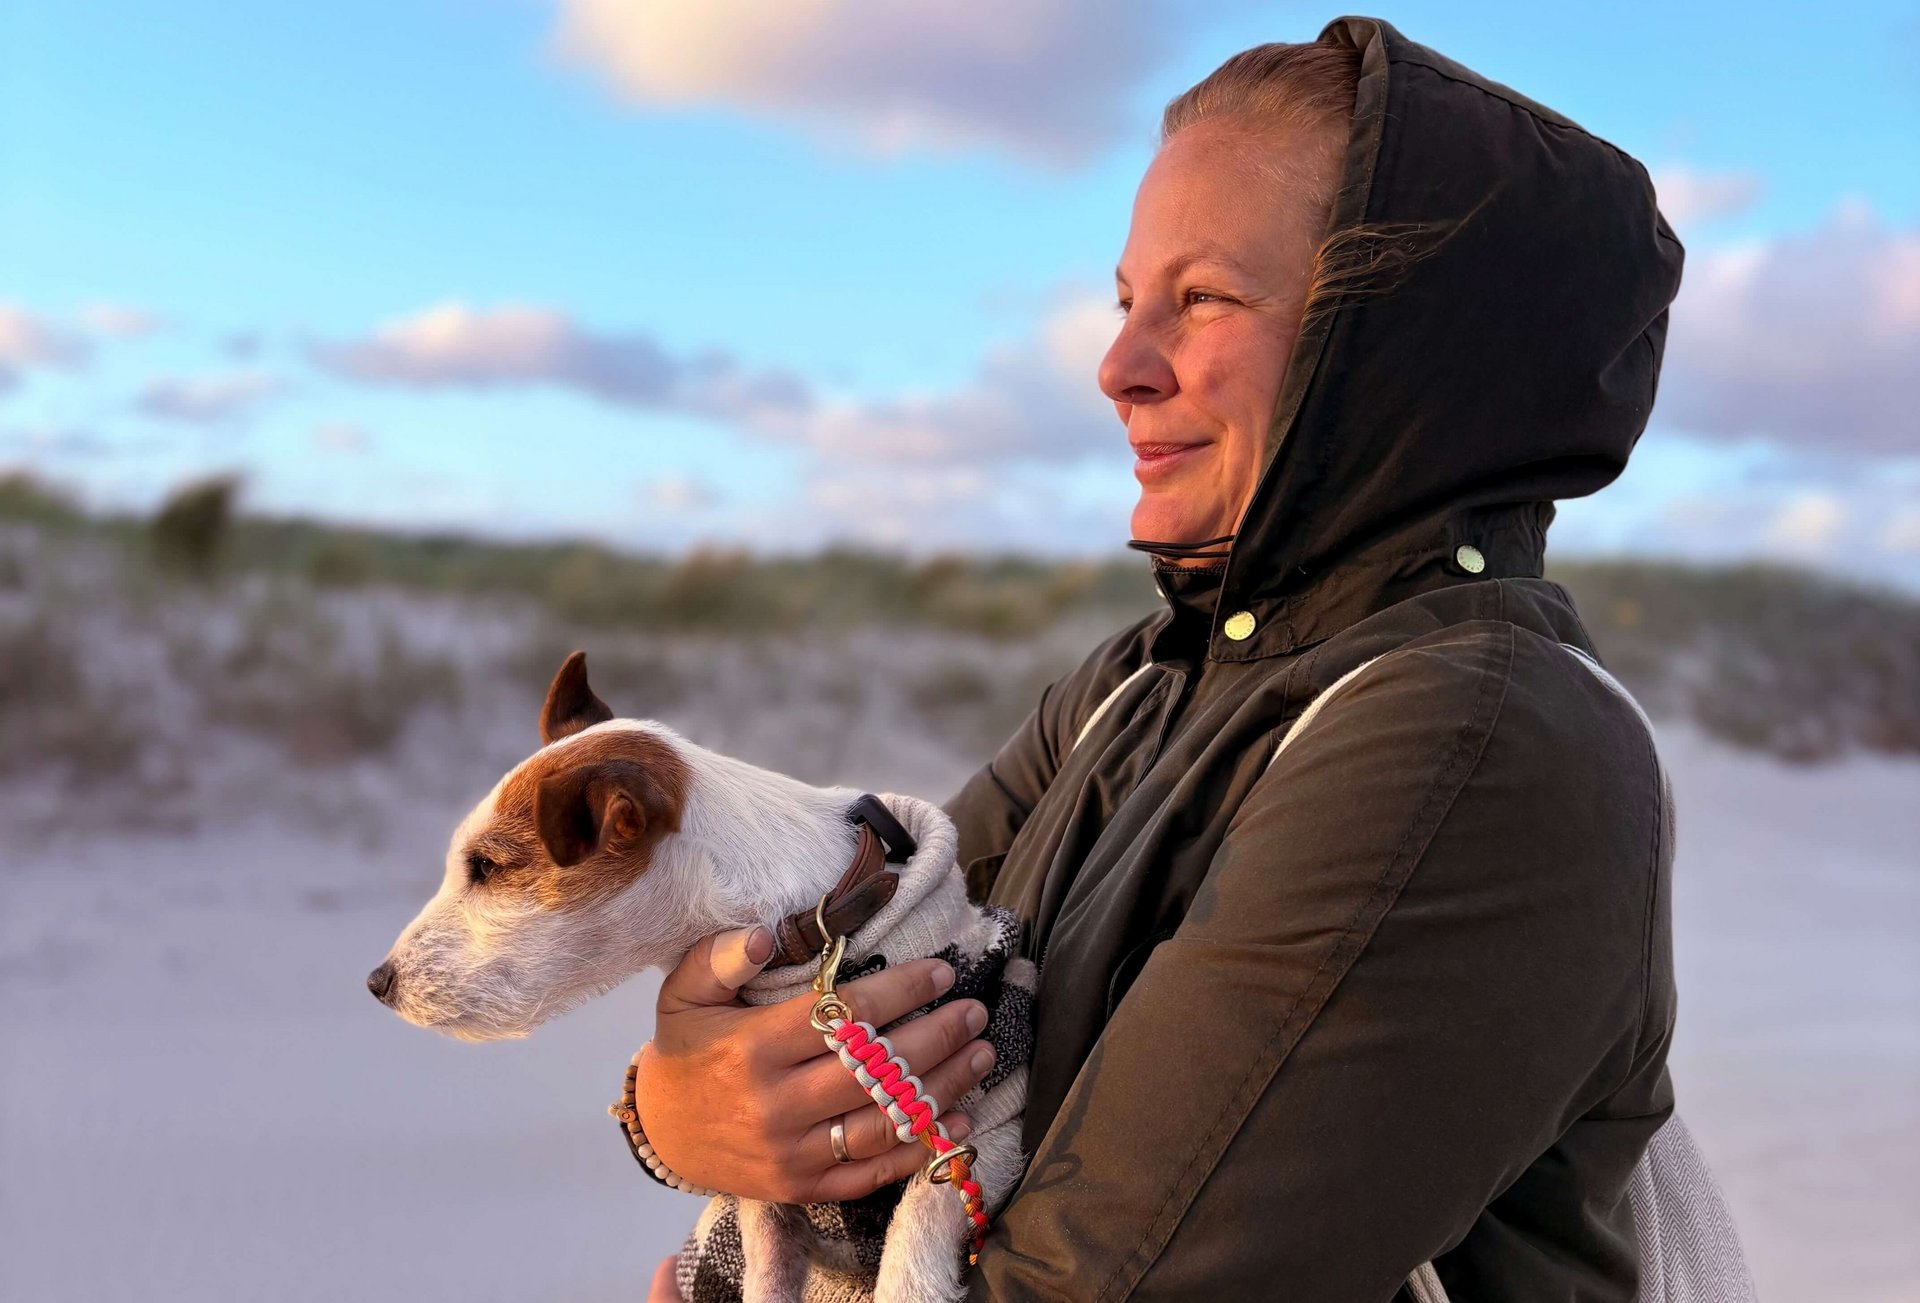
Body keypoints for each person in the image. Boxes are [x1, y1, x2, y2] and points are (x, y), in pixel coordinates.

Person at [634, 15, 1686, 1301]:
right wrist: (679, 1107)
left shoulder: (1476, 738)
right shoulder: (1137, 685)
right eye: (1129, 299)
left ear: (1397, 359)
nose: (1119, 367)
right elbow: (863, 997)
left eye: (1203, 299)